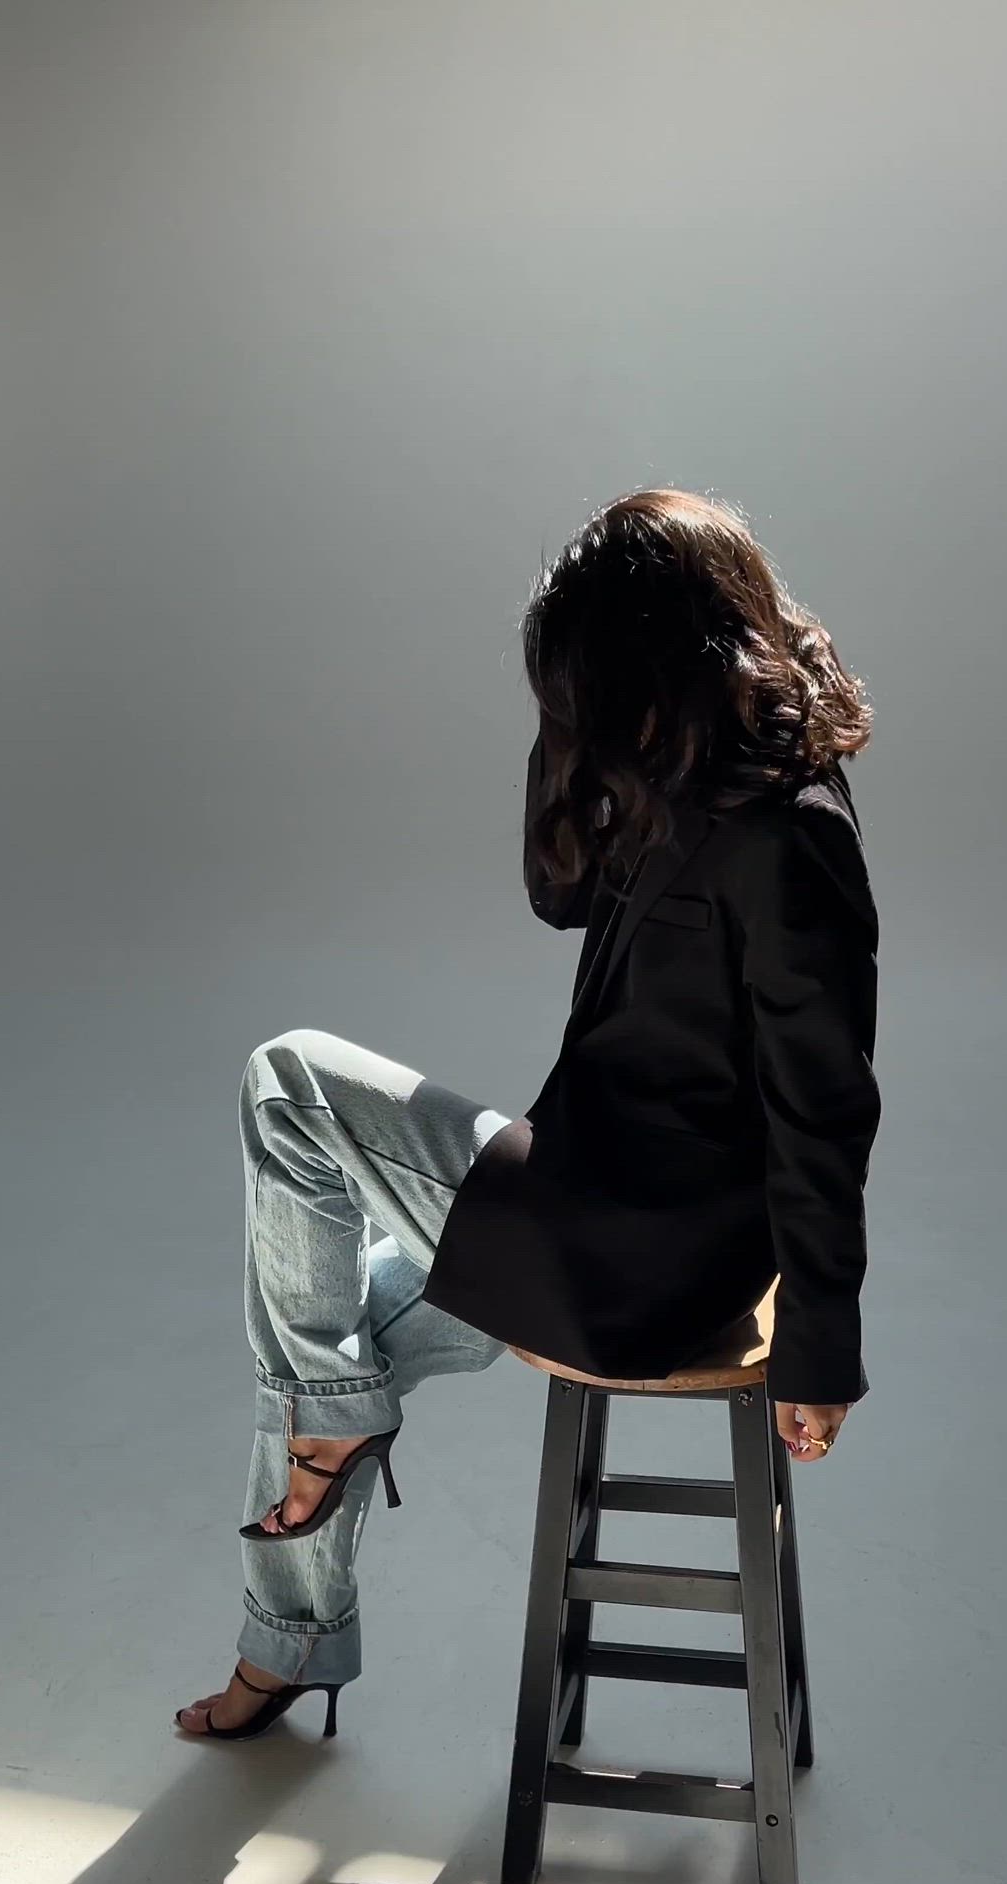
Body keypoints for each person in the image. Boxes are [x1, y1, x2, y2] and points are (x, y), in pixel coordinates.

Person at [176, 487, 881, 1741]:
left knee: (286, 1077)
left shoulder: (790, 838)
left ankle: (317, 1482)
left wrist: (821, 1353)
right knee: (321, 1346)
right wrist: (567, 741)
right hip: (596, 1205)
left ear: (668, 659)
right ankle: (285, 1641)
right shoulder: (687, 777)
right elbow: (558, 898)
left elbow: (825, 1113)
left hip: (627, 1258)